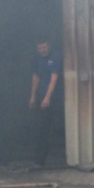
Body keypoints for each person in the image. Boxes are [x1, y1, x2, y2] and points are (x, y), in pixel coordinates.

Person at [28, 36, 62, 167]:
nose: (42, 50)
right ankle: (39, 160)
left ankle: (56, 156)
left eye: (44, 47)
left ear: (49, 45)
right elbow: (36, 76)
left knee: (53, 127)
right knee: (41, 128)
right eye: (39, 48)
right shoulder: (37, 57)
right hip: (41, 96)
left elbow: (54, 78)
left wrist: (48, 97)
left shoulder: (56, 56)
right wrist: (33, 96)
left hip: (55, 97)